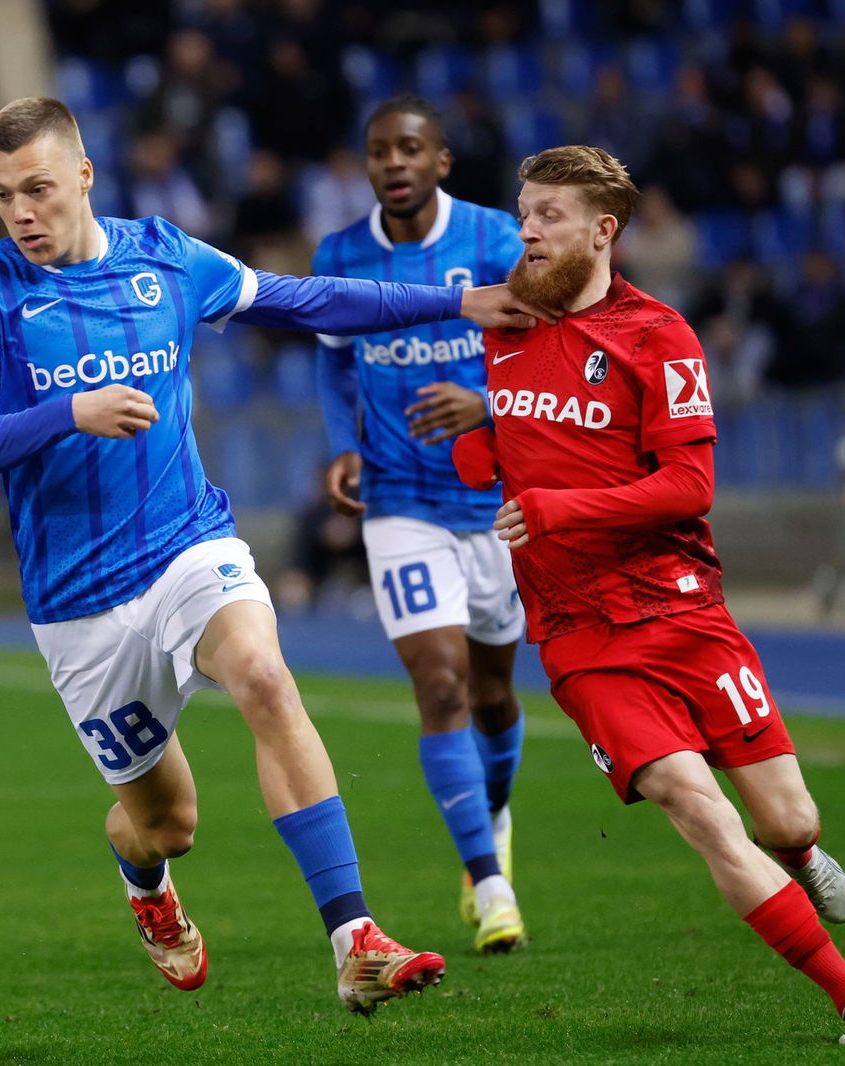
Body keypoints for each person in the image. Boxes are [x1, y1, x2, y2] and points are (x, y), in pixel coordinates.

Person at [0, 97, 540, 1014]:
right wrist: (70, 412)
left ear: (85, 178)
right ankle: (147, 888)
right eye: (5, 194)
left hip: (187, 547)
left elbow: (303, 299)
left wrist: (457, 298)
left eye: (40, 190)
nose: (22, 213)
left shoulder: (166, 258)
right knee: (167, 825)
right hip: (77, 603)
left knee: (262, 673)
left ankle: (354, 938)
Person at [453, 146, 845, 1044]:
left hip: (683, 608)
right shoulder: (502, 330)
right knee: (698, 807)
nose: (527, 230)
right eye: (523, 213)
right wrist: (473, 444)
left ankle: (801, 853)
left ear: (602, 230)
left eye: (548, 215)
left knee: (786, 815)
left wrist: (556, 505)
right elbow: (503, 454)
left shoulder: (660, 336)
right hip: (579, 631)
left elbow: (688, 488)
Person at [313, 95, 530, 955]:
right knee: (440, 688)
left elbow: (546, 350)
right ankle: (490, 880)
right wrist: (343, 446)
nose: (393, 163)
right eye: (378, 152)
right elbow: (333, 365)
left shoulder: (496, 243)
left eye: (410, 149)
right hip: (399, 502)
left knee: (494, 692)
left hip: (495, 504)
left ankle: (496, 812)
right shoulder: (342, 255)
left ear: (441, 160)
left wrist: (485, 403)